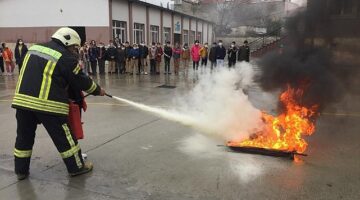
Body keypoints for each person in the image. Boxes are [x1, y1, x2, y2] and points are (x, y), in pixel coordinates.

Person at [11, 27, 106, 180]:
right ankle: (76, 167)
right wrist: (98, 90)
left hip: (23, 102)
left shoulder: (33, 49)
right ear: (67, 41)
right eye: (74, 47)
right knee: (65, 139)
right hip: (48, 105)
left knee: (23, 138)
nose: (74, 51)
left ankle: (21, 171)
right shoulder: (64, 57)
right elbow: (81, 80)